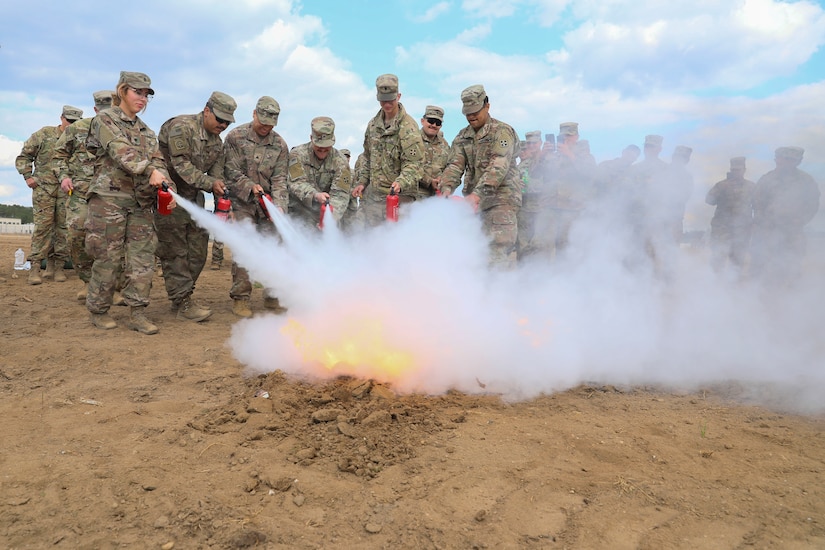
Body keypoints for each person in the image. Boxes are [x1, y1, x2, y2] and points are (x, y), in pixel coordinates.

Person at [84, 71, 173, 334]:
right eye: (138, 92)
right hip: (109, 201)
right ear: (122, 90)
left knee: (142, 260)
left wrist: (168, 187)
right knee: (107, 258)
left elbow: (159, 162)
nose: (143, 99)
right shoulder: (105, 119)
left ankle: (138, 312)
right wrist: (150, 170)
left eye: (147, 95)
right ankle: (99, 310)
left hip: (141, 203)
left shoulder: (147, 131)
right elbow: (121, 151)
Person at [157, 91, 237, 322]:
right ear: (206, 111)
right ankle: (181, 300)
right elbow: (181, 166)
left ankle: (183, 294)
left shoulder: (217, 142)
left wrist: (219, 186)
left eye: (227, 122)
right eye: (219, 119)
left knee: (198, 250)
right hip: (170, 196)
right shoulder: (181, 127)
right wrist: (211, 183)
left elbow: (216, 172)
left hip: (194, 197)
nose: (222, 125)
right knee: (175, 250)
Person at [439, 84, 522, 268]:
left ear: (487, 106)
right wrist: (446, 188)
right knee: (474, 256)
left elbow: (498, 166)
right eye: (467, 113)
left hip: (501, 201)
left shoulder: (502, 132)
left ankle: (503, 295)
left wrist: (477, 195)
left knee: (497, 255)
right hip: (475, 206)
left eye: (475, 111)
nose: (472, 116)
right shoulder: (462, 137)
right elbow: (454, 165)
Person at [223, 95, 289, 318]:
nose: (266, 127)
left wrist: (279, 205)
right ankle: (241, 298)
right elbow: (231, 171)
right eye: (263, 122)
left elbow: (280, 178)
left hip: (268, 204)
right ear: (254, 114)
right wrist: (250, 186)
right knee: (245, 246)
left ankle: (272, 296)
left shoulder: (280, 145)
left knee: (274, 247)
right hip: (242, 202)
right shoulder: (235, 137)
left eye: (271, 124)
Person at [54, 91, 113, 300]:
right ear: (96, 110)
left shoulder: (124, 131)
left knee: (113, 242)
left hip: (113, 195)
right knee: (76, 235)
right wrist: (63, 176)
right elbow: (58, 153)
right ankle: (88, 281)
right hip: (81, 193)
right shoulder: (78, 129)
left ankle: (116, 287)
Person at [15, 105, 83, 285]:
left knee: (63, 229)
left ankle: (57, 266)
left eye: (75, 122)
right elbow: (24, 156)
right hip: (44, 189)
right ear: (61, 118)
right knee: (42, 229)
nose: (71, 125)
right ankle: (36, 267)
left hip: (66, 190)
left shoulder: (78, 140)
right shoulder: (44, 134)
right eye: (69, 120)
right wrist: (28, 176)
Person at [351, 74, 424, 226]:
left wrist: (400, 182)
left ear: (398, 96)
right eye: (383, 100)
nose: (387, 104)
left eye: (390, 99)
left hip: (399, 200)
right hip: (374, 200)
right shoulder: (373, 126)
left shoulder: (408, 127)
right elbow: (367, 156)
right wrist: (362, 181)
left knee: (397, 244)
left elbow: (415, 164)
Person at [749, 146, 820, 284]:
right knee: (760, 268)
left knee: (790, 268)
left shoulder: (806, 181)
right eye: (783, 159)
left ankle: (786, 300)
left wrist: (798, 221)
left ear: (798, 161)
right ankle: (758, 300)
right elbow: (757, 204)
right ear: (777, 160)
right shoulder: (766, 179)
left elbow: (812, 205)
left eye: (791, 160)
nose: (786, 162)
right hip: (766, 232)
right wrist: (764, 223)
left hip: (792, 233)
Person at [287, 116, 351, 229]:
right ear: (311, 138)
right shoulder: (297, 155)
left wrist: (330, 218)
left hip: (326, 215)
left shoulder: (341, 162)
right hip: (299, 214)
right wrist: (315, 195)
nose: (322, 151)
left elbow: (340, 195)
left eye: (326, 148)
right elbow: (296, 183)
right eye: (319, 147)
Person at [705, 156, 755, 275]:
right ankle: (716, 282)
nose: (735, 172)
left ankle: (734, 285)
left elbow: (758, 205)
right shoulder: (721, 185)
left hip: (742, 229)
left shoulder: (751, 187)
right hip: (722, 228)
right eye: (733, 170)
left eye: (738, 170)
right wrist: (721, 192)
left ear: (744, 170)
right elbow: (709, 200)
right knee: (718, 256)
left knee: (738, 257)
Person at [515, 130, 545, 260]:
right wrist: (517, 184)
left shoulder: (548, 161)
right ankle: (523, 276)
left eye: (534, 143)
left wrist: (528, 186)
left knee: (540, 245)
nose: (531, 146)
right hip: (524, 209)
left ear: (540, 143)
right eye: (528, 143)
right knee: (523, 246)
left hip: (543, 210)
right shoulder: (523, 165)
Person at [416, 105, 450, 200]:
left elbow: (450, 167)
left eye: (437, 123)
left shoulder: (445, 145)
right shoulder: (412, 140)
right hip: (414, 197)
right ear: (422, 121)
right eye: (431, 121)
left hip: (437, 198)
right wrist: (429, 181)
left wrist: (442, 179)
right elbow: (407, 166)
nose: (434, 125)